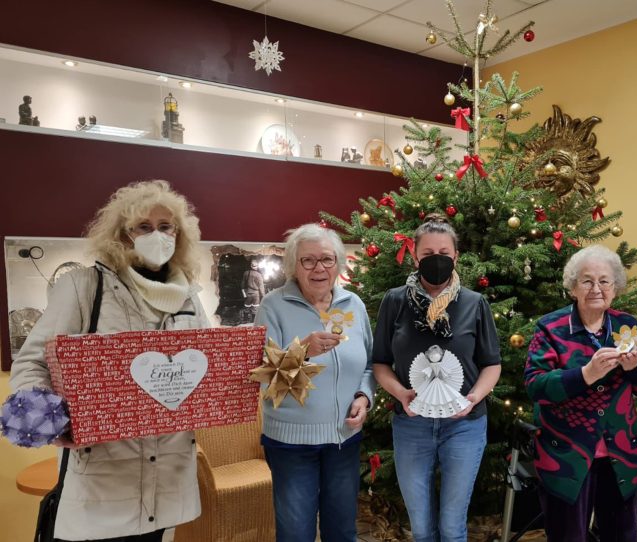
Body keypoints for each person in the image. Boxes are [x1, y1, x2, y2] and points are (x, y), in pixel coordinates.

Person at [10, 180, 209, 541]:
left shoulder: (189, 299)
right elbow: (32, 363)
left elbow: (205, 369)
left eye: (166, 227)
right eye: (143, 227)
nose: (157, 235)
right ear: (123, 234)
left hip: (169, 479)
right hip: (103, 481)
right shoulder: (84, 287)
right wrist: (49, 420)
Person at [372, 215, 502, 542]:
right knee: (421, 526)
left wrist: (473, 397)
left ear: (456, 256)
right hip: (411, 424)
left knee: (452, 525)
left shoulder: (474, 303)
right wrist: (400, 392)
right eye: (427, 254)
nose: (436, 260)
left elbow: (492, 365)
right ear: (415, 257)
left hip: (465, 424)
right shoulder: (395, 301)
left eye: (444, 252)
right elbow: (380, 363)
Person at [525, 245, 637, 542]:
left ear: (615, 287)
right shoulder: (551, 328)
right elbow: (535, 386)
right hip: (566, 457)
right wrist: (586, 374)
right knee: (568, 536)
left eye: (605, 281)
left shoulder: (628, 326)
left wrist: (636, 368)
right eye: (587, 280)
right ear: (573, 287)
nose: (596, 288)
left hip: (621, 455)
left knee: (621, 536)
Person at [254, 223, 375, 542]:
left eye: (327, 259)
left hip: (344, 440)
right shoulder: (273, 307)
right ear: (294, 265)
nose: (319, 268)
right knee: (296, 533)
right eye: (308, 260)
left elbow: (369, 364)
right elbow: (262, 376)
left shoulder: (354, 305)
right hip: (292, 444)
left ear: (339, 263)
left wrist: (364, 397)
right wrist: (302, 350)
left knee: (342, 530)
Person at [241, 258, 265, 322]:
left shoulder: (246, 273)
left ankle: (245, 321)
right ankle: (253, 322)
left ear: (251, 266)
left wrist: (243, 292)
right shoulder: (259, 275)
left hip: (248, 293)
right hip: (256, 294)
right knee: (255, 308)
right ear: (257, 266)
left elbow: (243, 283)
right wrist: (263, 295)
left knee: (246, 307)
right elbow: (261, 287)